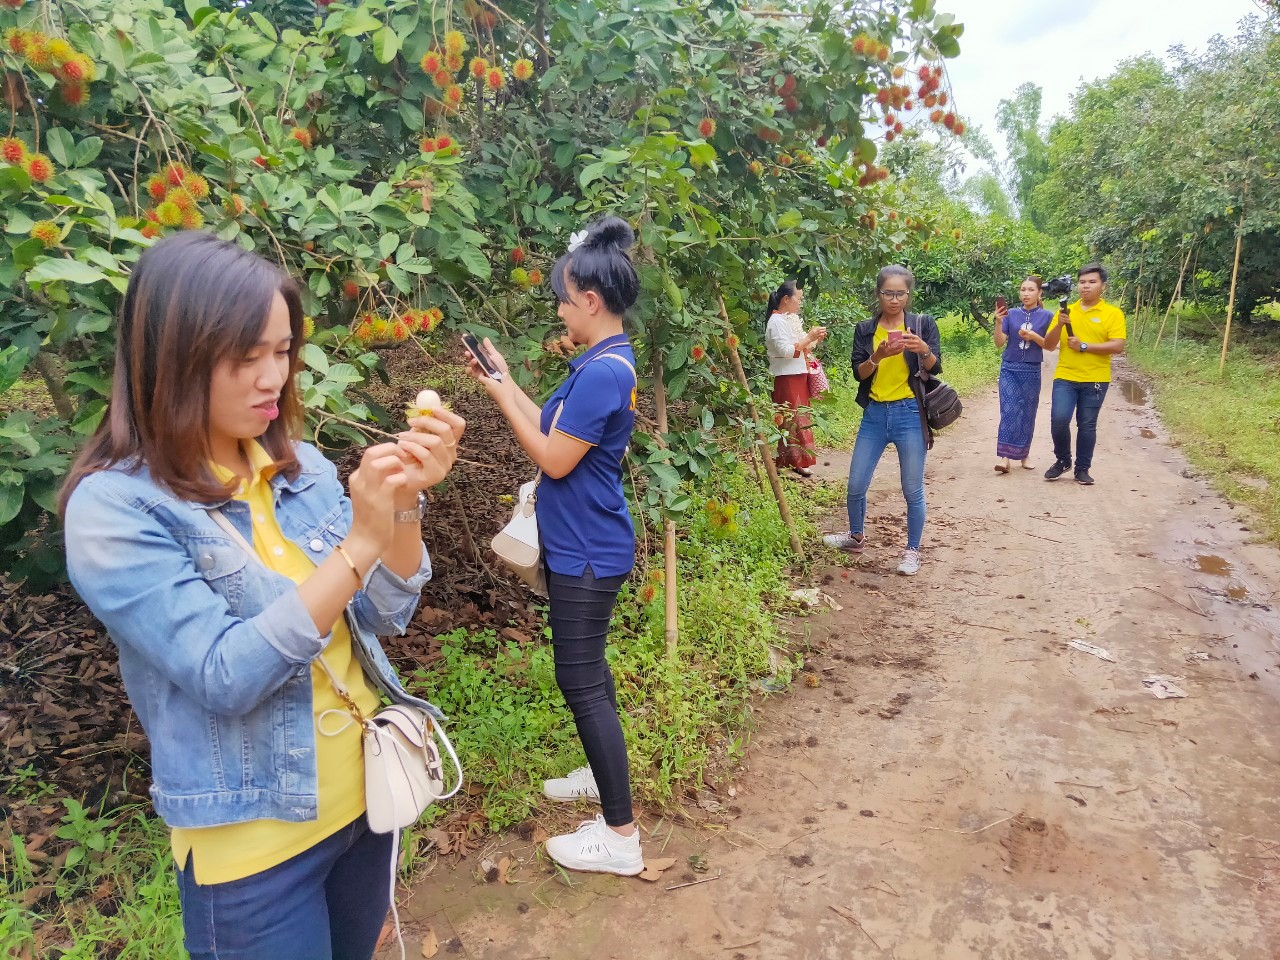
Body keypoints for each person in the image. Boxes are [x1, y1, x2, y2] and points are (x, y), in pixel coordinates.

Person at [60, 232, 464, 960]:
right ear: (172, 356)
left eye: (281, 351)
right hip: (254, 854)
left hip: (365, 807)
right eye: (245, 357)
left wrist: (403, 503)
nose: (271, 377)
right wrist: (359, 544)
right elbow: (225, 672)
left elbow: (386, 611)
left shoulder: (298, 465)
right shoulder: (115, 510)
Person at [465, 216, 644, 877]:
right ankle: (602, 774)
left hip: (589, 549)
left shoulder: (602, 372)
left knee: (579, 677)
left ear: (590, 301)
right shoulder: (601, 363)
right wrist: (504, 381)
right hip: (587, 540)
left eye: (564, 301)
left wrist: (498, 399)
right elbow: (553, 426)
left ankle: (620, 837)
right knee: (589, 671)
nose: (560, 312)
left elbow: (552, 457)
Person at [823, 265, 941, 576]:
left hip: (910, 413)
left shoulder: (922, 324)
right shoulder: (865, 329)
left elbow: (935, 366)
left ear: (908, 294)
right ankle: (855, 537)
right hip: (874, 413)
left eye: (901, 293)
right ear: (879, 293)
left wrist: (923, 349)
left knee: (912, 488)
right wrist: (877, 356)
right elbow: (859, 373)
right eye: (888, 293)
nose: (894, 299)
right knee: (856, 484)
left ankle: (912, 551)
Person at [1042, 263, 1127, 485]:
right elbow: (1048, 346)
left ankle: (1082, 469)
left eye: (1092, 282)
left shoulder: (1112, 314)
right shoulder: (1065, 311)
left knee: (1087, 424)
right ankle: (1063, 460)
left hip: (1096, 379)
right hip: (1066, 376)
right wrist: (1059, 325)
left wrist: (1084, 346)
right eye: (1082, 282)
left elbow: (1118, 346)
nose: (1086, 286)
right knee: (1059, 419)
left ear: (1103, 286)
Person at [764, 280, 827, 477]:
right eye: (798, 298)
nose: (800, 302)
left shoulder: (788, 320)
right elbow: (786, 351)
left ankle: (794, 461)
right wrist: (808, 338)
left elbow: (801, 348)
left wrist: (814, 339)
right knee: (792, 419)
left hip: (797, 375)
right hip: (786, 377)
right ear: (786, 299)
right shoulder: (776, 322)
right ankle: (792, 462)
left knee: (799, 417)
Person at [993, 276, 1056, 473]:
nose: (1026, 294)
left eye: (1030, 290)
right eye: (1023, 290)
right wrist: (998, 322)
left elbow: (1050, 346)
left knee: (1028, 413)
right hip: (1009, 368)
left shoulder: (1047, 316)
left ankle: (1024, 454)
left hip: (1031, 369)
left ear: (1039, 293)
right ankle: (1004, 458)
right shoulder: (1010, 314)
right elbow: (999, 343)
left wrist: (1034, 336)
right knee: (1008, 411)